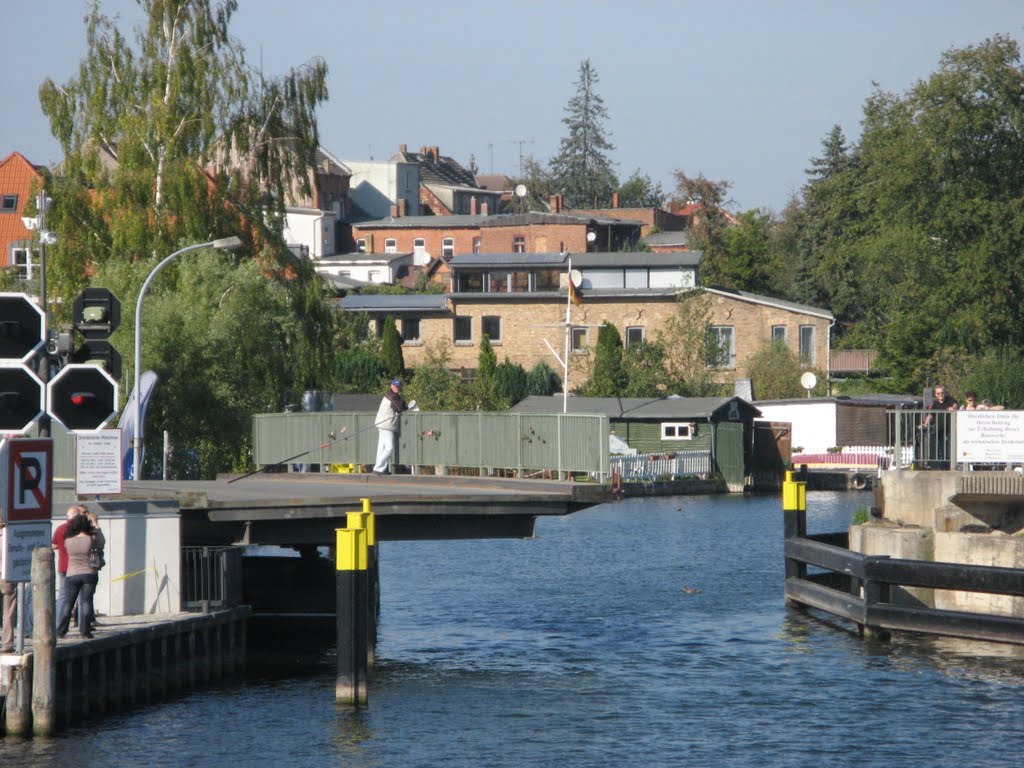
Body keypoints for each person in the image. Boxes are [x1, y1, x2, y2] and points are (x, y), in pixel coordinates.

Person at [56, 514, 104, 639]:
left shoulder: (68, 541)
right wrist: (96, 525)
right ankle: (85, 630)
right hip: (89, 573)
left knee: (68, 603)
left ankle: (61, 630)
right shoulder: (91, 539)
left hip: (72, 574)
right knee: (86, 602)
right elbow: (102, 543)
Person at [52, 505, 85, 622]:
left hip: (63, 567)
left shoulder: (60, 528)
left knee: (62, 597)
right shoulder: (82, 529)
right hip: (79, 567)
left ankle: (58, 624)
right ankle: (83, 625)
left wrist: (62, 547)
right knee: (81, 597)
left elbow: (53, 545)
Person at [373, 379, 408, 475]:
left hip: (381, 423)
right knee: (389, 448)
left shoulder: (389, 394)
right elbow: (399, 407)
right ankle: (378, 467)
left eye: (399, 386)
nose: (397, 388)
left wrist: (404, 405)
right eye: (396, 386)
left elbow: (399, 406)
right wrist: (406, 406)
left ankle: (380, 468)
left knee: (381, 448)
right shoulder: (393, 396)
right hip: (387, 425)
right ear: (391, 386)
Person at [920, 385, 958, 467]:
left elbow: (955, 405)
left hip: (949, 429)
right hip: (939, 430)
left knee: (948, 449)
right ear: (935, 394)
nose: (940, 395)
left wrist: (952, 408)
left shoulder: (949, 400)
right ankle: (941, 466)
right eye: (938, 393)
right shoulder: (935, 404)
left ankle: (949, 465)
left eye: (942, 393)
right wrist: (925, 424)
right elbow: (930, 415)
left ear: (945, 393)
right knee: (940, 449)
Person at [1, 523, 15, 653]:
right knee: (8, 611)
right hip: (6, 575)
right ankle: (7, 642)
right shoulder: (9, 536)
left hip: (4, 574)